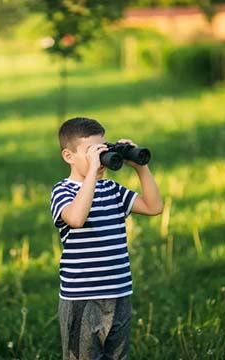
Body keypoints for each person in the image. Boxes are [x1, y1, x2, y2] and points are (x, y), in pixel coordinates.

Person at [50, 117, 163, 359]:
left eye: (102, 149)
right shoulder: (62, 191)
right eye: (91, 153)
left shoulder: (111, 190)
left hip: (119, 293)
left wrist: (140, 167)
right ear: (68, 156)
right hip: (82, 298)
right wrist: (92, 172)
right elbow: (77, 218)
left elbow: (154, 207)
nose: (99, 159)